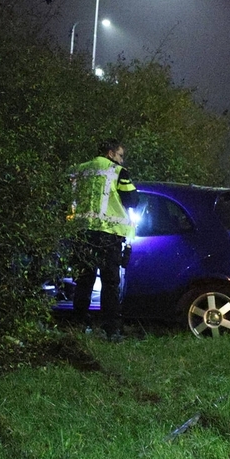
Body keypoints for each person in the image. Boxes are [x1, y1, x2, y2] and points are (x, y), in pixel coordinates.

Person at [67, 139, 138, 340]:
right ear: (110, 153)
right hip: (109, 234)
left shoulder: (78, 171)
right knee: (109, 282)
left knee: (84, 280)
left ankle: (79, 323)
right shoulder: (117, 172)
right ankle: (111, 329)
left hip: (82, 233)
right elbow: (132, 200)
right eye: (120, 155)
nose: (122, 160)